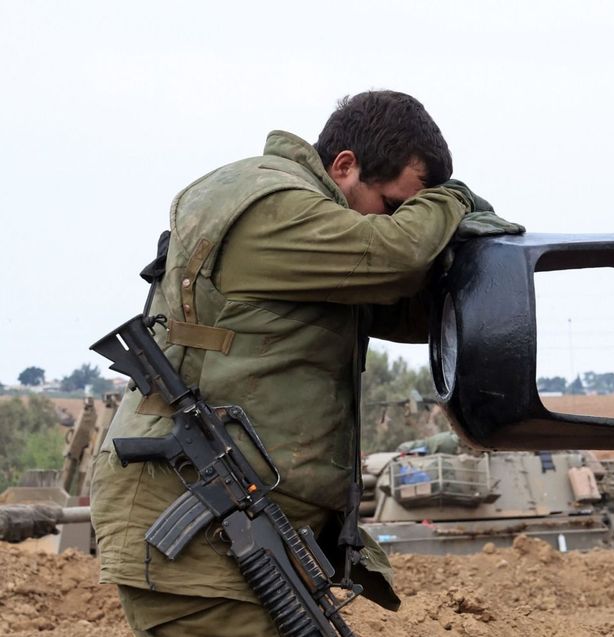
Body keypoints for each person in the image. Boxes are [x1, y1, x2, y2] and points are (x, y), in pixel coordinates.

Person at [89, 90, 523, 636]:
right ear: (344, 167)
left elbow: (411, 309)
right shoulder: (272, 206)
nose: (399, 219)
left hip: (234, 525)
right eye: (394, 204)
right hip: (199, 538)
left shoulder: (309, 235)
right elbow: (395, 255)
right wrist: (452, 201)